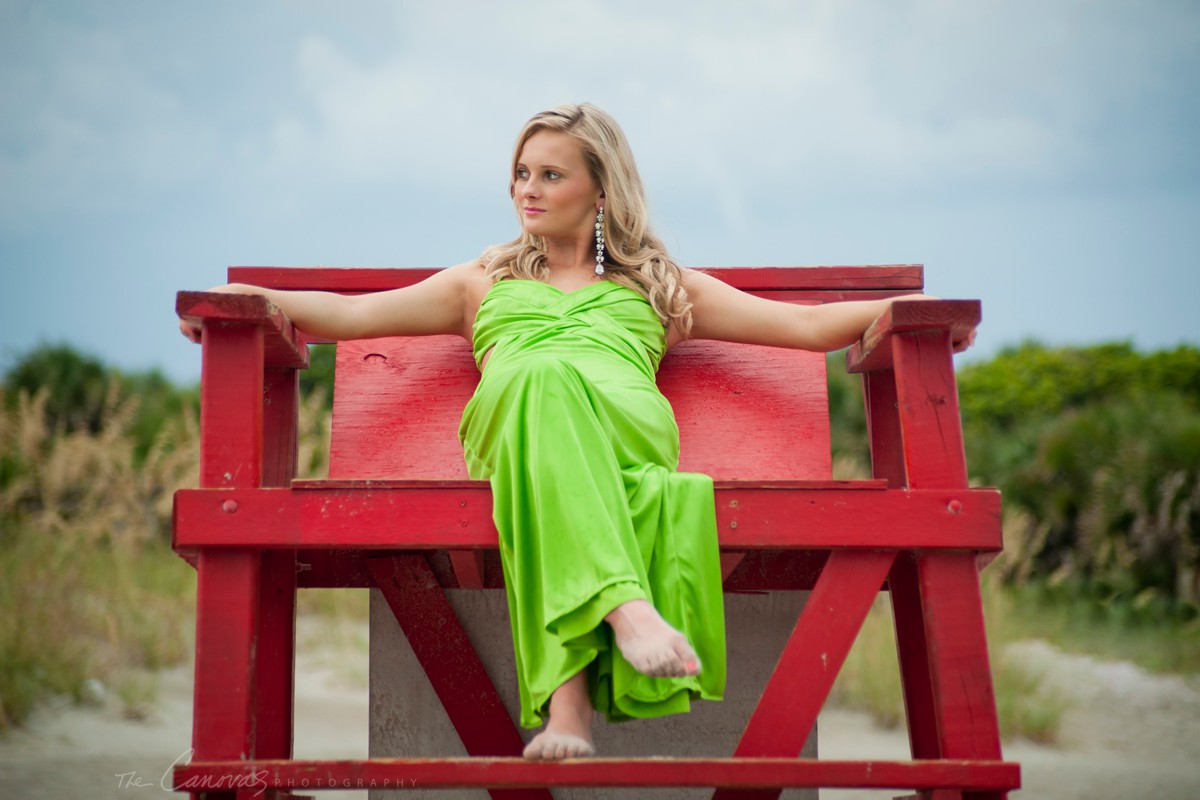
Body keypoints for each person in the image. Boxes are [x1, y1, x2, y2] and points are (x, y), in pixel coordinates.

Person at [179, 103, 975, 762]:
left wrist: (901, 317)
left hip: (624, 435)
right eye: (522, 174)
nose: (528, 190)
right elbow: (348, 315)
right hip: (519, 428)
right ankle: (627, 613)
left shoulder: (659, 286)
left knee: (553, 389)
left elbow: (803, 328)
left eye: (550, 175)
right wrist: (242, 294)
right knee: (539, 377)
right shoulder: (478, 283)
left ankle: (569, 717)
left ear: (601, 192)